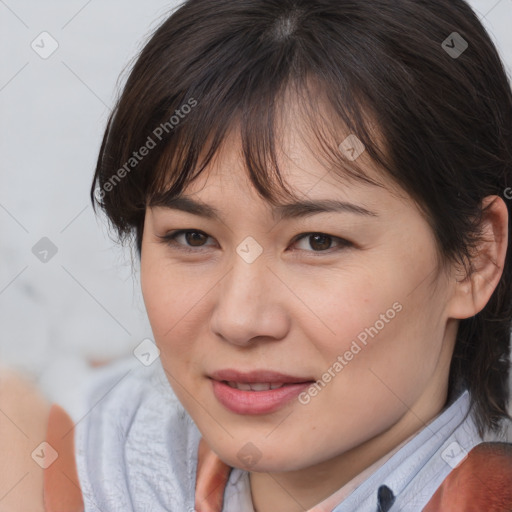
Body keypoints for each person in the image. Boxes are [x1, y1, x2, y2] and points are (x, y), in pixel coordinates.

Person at [2, 0, 512, 510]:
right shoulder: (77, 459)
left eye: (318, 241)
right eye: (192, 237)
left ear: (475, 259)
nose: (240, 320)